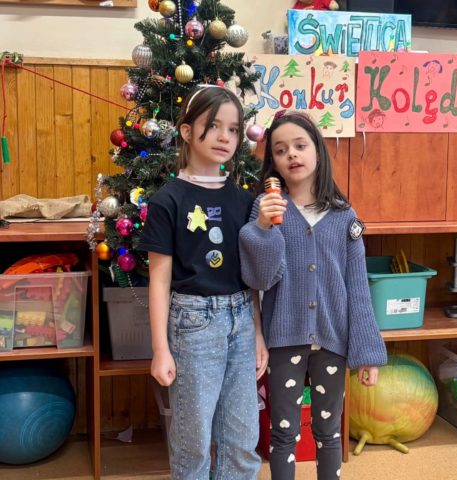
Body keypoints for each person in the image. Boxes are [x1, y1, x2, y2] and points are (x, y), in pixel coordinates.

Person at [239, 110, 387, 480]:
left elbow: (358, 288)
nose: (291, 154)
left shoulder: (343, 216)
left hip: (333, 341)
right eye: (280, 150)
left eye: (300, 146)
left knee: (329, 431)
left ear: (317, 151)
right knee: (283, 433)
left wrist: (367, 354)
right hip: (284, 339)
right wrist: (263, 228)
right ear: (273, 162)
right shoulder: (265, 208)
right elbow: (259, 279)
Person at [138, 85, 268, 480]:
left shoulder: (245, 201)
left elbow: (251, 277)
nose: (225, 137)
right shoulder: (168, 200)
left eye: (233, 129)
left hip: (241, 320)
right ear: (187, 131)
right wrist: (160, 350)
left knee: (242, 440)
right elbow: (159, 281)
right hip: (193, 326)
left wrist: (257, 334)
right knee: (193, 442)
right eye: (213, 126)